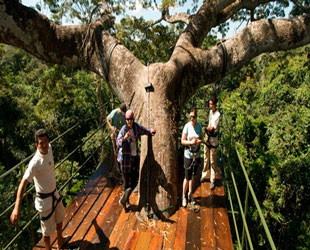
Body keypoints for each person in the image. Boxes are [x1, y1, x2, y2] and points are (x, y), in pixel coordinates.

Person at [10, 129, 66, 250]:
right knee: (46, 231)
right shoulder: (35, 163)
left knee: (60, 217)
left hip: (54, 193)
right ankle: (48, 248)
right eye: (41, 143)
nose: (44, 145)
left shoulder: (49, 148)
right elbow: (23, 184)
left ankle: (60, 240)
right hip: (44, 200)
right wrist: (16, 207)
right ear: (36, 145)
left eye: (46, 141)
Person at [116, 110, 156, 211]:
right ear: (125, 120)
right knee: (126, 183)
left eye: (130, 119)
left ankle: (123, 200)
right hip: (125, 160)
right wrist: (124, 138)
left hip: (134, 158)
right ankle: (126, 204)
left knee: (134, 181)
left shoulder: (135, 127)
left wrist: (150, 131)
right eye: (127, 119)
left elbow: (143, 130)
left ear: (133, 119)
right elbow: (118, 142)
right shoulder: (123, 130)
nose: (129, 121)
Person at [181, 108, 203, 207]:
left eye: (193, 117)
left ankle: (190, 194)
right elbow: (182, 141)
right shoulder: (187, 126)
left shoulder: (199, 126)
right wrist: (190, 142)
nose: (192, 119)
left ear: (196, 117)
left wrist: (199, 141)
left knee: (193, 175)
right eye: (190, 117)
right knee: (187, 176)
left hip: (197, 154)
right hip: (188, 155)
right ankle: (183, 196)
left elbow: (202, 137)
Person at [201, 96, 221, 190]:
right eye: (209, 104)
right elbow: (209, 124)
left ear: (215, 105)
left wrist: (204, 128)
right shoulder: (210, 112)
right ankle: (204, 175)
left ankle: (212, 180)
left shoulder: (217, 115)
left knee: (212, 160)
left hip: (213, 139)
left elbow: (212, 128)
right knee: (206, 157)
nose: (209, 106)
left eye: (211, 104)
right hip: (207, 137)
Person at [106, 103, 127, 180]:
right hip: (115, 131)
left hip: (121, 132)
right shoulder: (115, 112)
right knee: (114, 151)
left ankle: (120, 169)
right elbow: (107, 119)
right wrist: (111, 127)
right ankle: (114, 169)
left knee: (120, 150)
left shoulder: (124, 115)